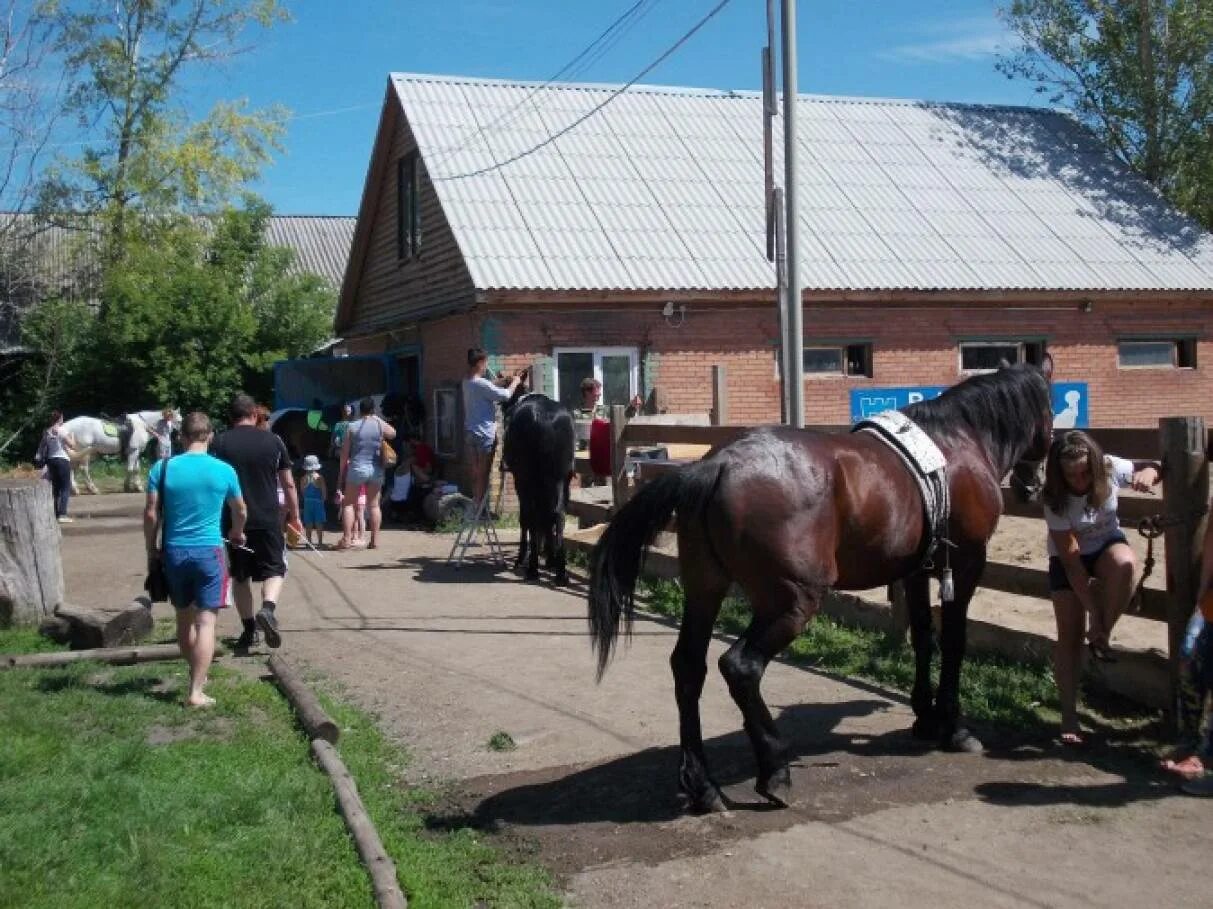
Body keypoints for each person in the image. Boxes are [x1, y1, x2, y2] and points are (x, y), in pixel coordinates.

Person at [1042, 430, 1160, 745]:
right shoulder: (1055, 500)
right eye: (1071, 475)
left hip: (1107, 545)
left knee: (1125, 564)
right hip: (1069, 558)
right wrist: (1093, 609)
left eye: (1084, 472)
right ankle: (1069, 713)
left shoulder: (1109, 467)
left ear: (1094, 465)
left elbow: (1151, 466)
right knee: (1069, 634)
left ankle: (1102, 634)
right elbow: (1071, 562)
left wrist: (1149, 473)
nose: (1079, 480)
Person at [143, 411, 246, 708]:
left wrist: (152, 548)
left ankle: (196, 674)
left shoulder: (161, 469)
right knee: (206, 622)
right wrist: (237, 533)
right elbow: (240, 510)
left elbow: (151, 513)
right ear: (210, 435)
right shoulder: (224, 470)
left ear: (182, 437)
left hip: (174, 550)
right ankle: (196, 689)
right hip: (209, 551)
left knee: (183, 618)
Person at [211, 394, 300, 650]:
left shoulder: (220, 443)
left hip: (232, 520)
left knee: (240, 577)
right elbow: (289, 483)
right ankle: (268, 609)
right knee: (275, 569)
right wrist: (294, 515)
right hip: (267, 517)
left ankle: (249, 630)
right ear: (253, 413)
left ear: (232, 416)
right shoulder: (273, 441)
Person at [462, 348, 521, 505]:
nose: (486, 366)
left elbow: (486, 387)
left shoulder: (467, 382)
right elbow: (505, 396)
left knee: (474, 471)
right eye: (485, 363)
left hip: (470, 432)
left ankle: (475, 500)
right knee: (483, 472)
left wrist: (501, 382)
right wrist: (515, 382)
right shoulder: (481, 384)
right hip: (484, 434)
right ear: (480, 363)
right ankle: (479, 505)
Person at [336, 397, 395, 550]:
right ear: (373, 410)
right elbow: (393, 433)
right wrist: (376, 418)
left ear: (359, 410)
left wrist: (342, 472)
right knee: (374, 506)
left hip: (357, 468)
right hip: (375, 469)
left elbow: (344, 453)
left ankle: (347, 539)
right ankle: (374, 541)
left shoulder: (352, 427)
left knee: (348, 503)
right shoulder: (378, 425)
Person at [37, 411, 76, 523]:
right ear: (60, 419)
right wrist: (72, 437)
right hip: (62, 460)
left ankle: (55, 513)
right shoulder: (62, 430)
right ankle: (63, 515)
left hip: (51, 461)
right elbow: (72, 445)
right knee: (65, 488)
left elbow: (42, 447)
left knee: (56, 489)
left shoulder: (47, 431)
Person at [299, 454, 327, 547]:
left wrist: (305, 498)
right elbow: (323, 490)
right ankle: (319, 542)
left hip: (308, 502)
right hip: (318, 502)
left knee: (308, 523)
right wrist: (323, 498)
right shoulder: (319, 477)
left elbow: (302, 491)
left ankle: (309, 542)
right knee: (319, 522)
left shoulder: (303, 478)